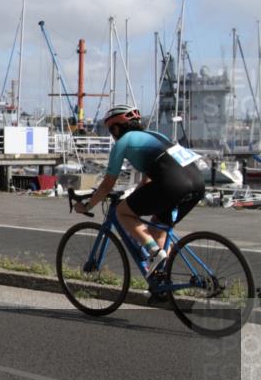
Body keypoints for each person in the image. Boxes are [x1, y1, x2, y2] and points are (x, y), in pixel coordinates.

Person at [74, 105, 205, 276]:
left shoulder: (123, 142)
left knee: (122, 212)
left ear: (116, 127)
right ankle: (163, 282)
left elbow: (107, 185)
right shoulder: (157, 135)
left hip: (172, 184)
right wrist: (134, 195)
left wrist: (87, 206)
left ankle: (155, 253)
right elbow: (148, 178)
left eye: (111, 131)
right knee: (157, 230)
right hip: (198, 182)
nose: (112, 136)